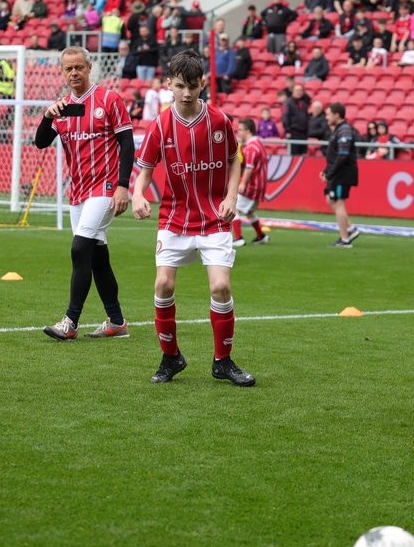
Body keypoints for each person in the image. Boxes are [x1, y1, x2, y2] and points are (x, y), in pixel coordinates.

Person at [132, 49, 255, 387]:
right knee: (163, 284)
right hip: (174, 217)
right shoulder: (160, 125)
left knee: (220, 286)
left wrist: (231, 197)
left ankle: (222, 361)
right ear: (169, 85)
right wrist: (139, 193)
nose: (186, 93)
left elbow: (234, 160)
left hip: (214, 217)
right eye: (180, 86)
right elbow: (144, 170)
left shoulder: (219, 121)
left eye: (192, 86)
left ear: (202, 85)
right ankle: (170, 357)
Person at [34, 47, 134, 341]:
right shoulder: (62, 107)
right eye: (69, 69)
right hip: (77, 191)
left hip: (105, 187)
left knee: (79, 248)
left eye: (79, 67)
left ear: (89, 67)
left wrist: (123, 185)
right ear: (63, 73)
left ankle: (70, 322)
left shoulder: (109, 100)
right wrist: (46, 117)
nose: (74, 73)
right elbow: (40, 142)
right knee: (95, 257)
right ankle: (116, 321)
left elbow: (127, 144)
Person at [323, 102, 361, 248]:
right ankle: (350, 229)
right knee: (330, 199)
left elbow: (342, 155)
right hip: (338, 172)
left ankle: (344, 239)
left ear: (337, 115)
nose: (326, 118)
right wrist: (326, 171)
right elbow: (334, 155)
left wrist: (330, 173)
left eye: (328, 114)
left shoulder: (344, 130)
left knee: (338, 202)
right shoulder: (339, 129)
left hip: (343, 173)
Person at [232, 118, 270, 247]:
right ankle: (261, 236)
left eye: (240, 130)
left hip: (252, 185)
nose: (238, 133)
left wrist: (242, 183)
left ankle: (238, 238)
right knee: (249, 211)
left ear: (248, 131)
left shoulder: (251, 147)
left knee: (234, 207)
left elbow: (249, 167)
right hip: (260, 184)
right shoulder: (258, 143)